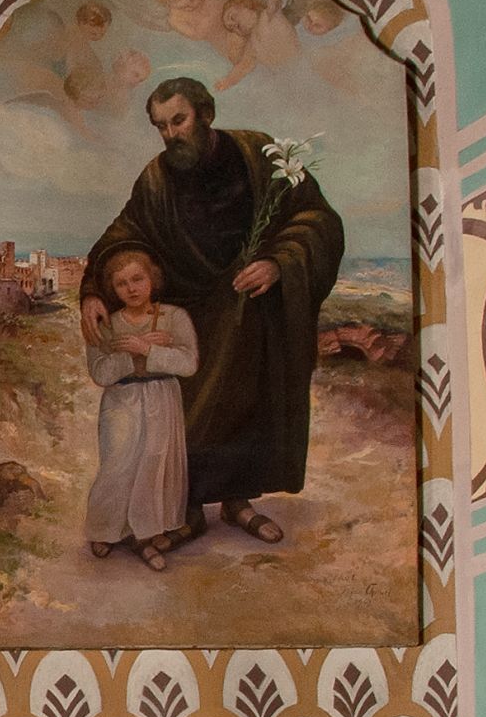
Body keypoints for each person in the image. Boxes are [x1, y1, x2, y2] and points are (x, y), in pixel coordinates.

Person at [78, 77, 342, 544]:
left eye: (178, 121)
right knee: (188, 417)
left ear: (206, 114)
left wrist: (278, 263)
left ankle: (238, 503)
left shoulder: (259, 155)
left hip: (251, 311)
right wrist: (94, 291)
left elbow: (316, 218)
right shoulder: (156, 178)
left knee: (248, 407)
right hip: (191, 314)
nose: (170, 134)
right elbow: (124, 234)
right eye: (160, 126)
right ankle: (187, 508)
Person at [82, 248, 199, 571]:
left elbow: (189, 364)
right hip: (122, 400)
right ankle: (104, 530)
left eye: (137, 279)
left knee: (154, 463)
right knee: (118, 464)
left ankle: (144, 535)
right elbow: (100, 373)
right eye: (121, 284)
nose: (131, 288)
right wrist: (135, 354)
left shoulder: (174, 317)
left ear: (152, 278)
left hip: (163, 397)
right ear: (112, 288)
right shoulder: (106, 322)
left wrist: (148, 349)